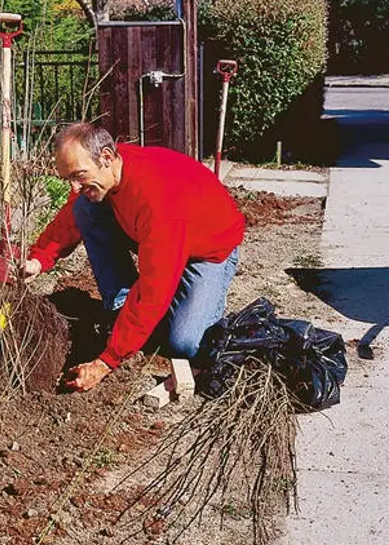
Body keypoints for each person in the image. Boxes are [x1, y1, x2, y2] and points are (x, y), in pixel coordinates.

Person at [23, 122, 244, 392]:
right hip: (160, 236)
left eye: (78, 176)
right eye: (68, 178)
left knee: (183, 343)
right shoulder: (109, 170)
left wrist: (107, 361)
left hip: (207, 253)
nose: (74, 188)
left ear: (106, 157)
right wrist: (39, 259)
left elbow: (153, 290)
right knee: (84, 208)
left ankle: (148, 320)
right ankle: (121, 309)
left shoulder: (159, 203)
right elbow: (71, 217)